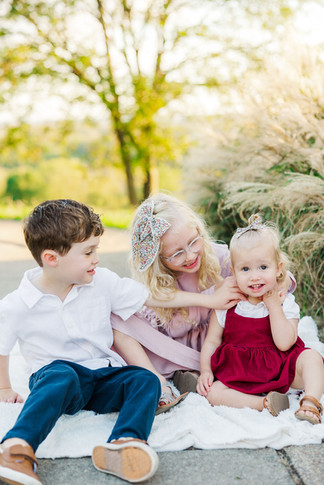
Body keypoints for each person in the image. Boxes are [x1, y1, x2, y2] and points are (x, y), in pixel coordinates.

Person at [0, 199, 237, 485]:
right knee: (61, 374)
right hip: (57, 380)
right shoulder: (17, 304)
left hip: (103, 375)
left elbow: (153, 297)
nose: (96, 258)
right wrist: (4, 387)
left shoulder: (102, 281)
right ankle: (16, 448)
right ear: (52, 259)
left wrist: (208, 300)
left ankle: (125, 442)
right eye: (88, 252)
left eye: (95, 250)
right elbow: (2, 346)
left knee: (144, 379)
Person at [111, 194, 294, 407]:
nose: (189, 256)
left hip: (215, 346)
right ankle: (158, 381)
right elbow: (146, 299)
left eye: (193, 242)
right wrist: (210, 299)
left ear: (199, 230)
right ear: (158, 258)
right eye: (176, 253)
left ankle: (196, 373)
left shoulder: (216, 256)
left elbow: (276, 274)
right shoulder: (156, 281)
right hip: (172, 348)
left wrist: (272, 284)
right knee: (117, 319)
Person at [197, 215, 324, 425]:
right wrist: (205, 372)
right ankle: (265, 403)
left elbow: (285, 342)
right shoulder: (229, 303)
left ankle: (310, 402)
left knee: (312, 358)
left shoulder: (285, 302)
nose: (255, 276)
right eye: (245, 269)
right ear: (233, 272)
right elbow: (212, 341)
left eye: (263, 267)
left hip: (282, 368)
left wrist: (273, 305)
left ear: (279, 268)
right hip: (241, 372)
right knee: (213, 393)